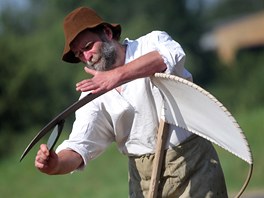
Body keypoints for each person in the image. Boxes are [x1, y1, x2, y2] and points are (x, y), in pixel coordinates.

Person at [35, 6, 228, 197]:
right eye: (79, 54)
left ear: (107, 33)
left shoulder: (151, 42)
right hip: (143, 179)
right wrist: (56, 164)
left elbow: (169, 56)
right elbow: (80, 145)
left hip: (193, 164)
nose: (87, 57)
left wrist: (116, 76)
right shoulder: (92, 95)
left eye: (87, 47)